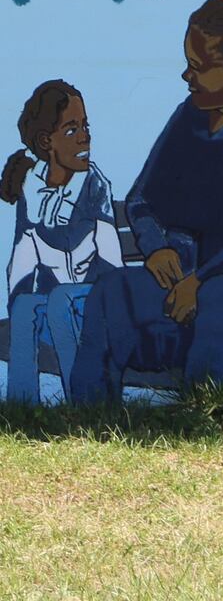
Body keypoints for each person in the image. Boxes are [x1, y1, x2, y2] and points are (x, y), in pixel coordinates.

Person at [70, 0, 223, 403]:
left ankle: (202, 425)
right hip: (179, 297)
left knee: (220, 300)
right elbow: (140, 200)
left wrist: (202, 278)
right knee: (111, 294)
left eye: (198, 68)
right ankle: (89, 422)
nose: (186, 77)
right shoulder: (187, 118)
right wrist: (156, 248)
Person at [1, 81, 123, 402]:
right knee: (27, 305)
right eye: (71, 130)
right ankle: (22, 407)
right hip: (58, 307)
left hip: (94, 305)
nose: (85, 136)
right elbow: (22, 260)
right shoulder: (32, 190)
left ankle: (82, 404)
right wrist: (18, 303)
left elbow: (113, 267)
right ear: (47, 141)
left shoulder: (95, 186)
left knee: (60, 301)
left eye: (85, 126)